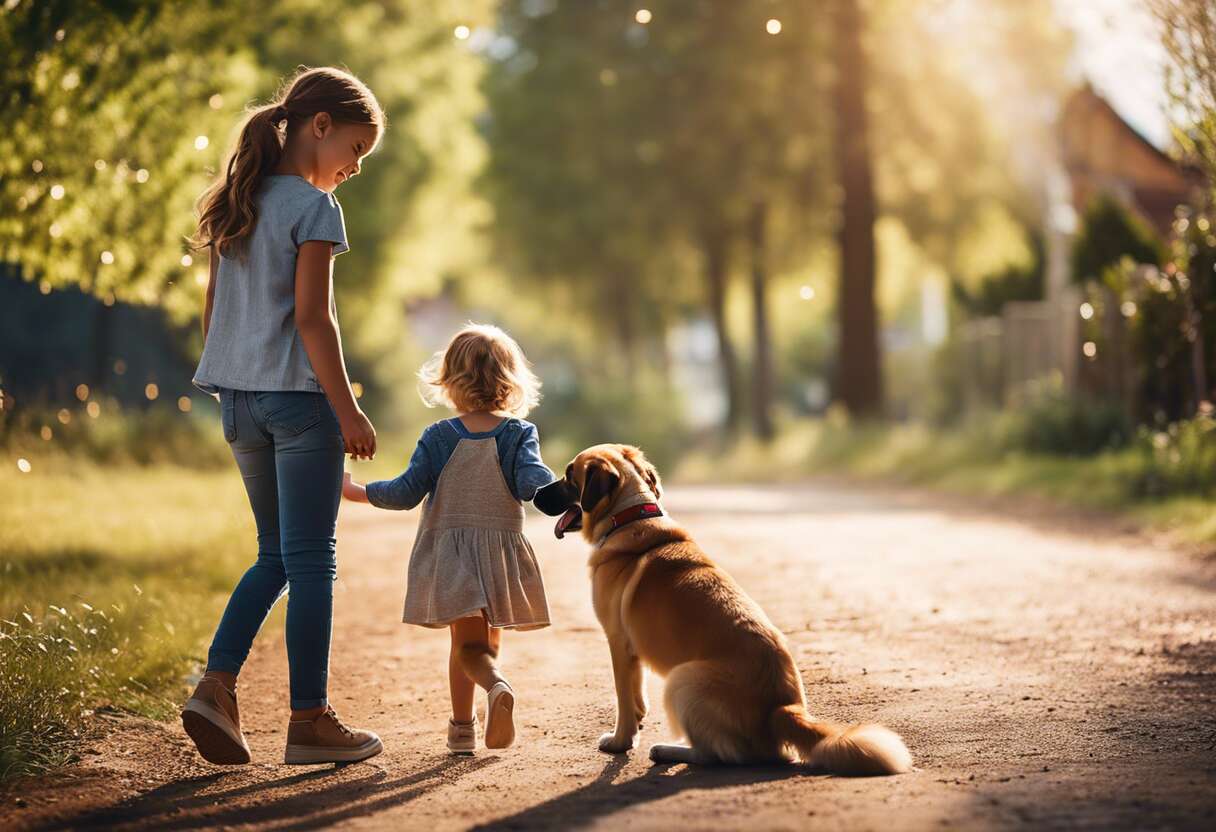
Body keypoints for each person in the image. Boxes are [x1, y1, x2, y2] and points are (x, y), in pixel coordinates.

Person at [181, 66, 385, 766]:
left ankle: (215, 683)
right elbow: (313, 319)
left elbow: (214, 313)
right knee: (312, 560)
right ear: (319, 126)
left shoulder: (234, 200)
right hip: (299, 405)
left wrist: (233, 383)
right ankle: (309, 721)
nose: (354, 167)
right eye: (355, 148)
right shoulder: (312, 208)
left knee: (275, 555)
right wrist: (348, 410)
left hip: (236, 402)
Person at [343, 324, 554, 754]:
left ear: (450, 380)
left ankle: (471, 717)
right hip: (500, 553)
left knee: (468, 646)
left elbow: (405, 492)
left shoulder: (438, 436)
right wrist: (566, 496)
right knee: (485, 642)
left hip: (454, 556)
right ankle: (476, 710)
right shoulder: (518, 433)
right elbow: (534, 483)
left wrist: (357, 492)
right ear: (510, 380)